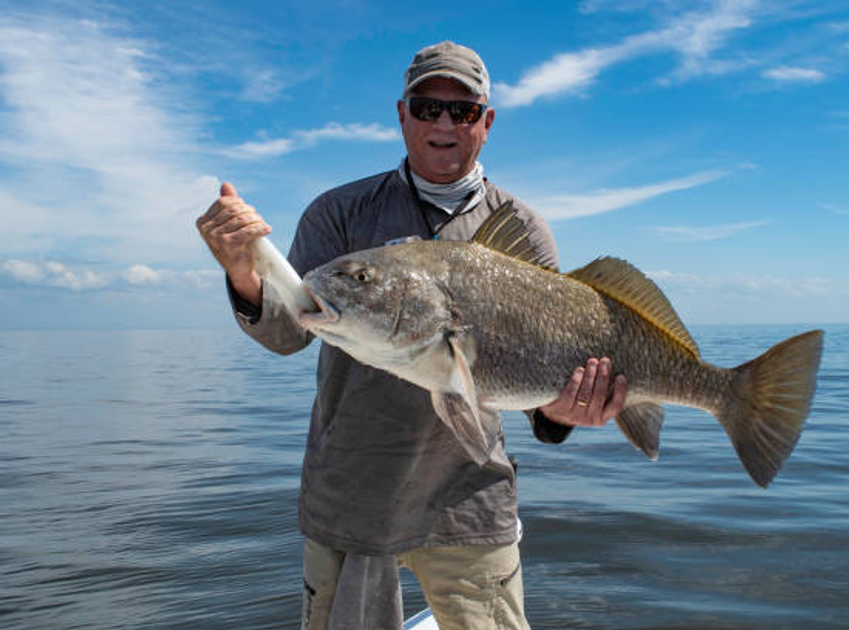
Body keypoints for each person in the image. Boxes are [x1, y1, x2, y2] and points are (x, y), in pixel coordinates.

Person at [196, 41, 628, 630]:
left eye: (462, 110)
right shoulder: (340, 212)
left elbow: (538, 382)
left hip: (471, 502)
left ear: (486, 122)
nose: (444, 123)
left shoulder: (523, 229)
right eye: (427, 108)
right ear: (402, 115)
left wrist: (561, 413)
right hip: (351, 494)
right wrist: (243, 272)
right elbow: (289, 331)